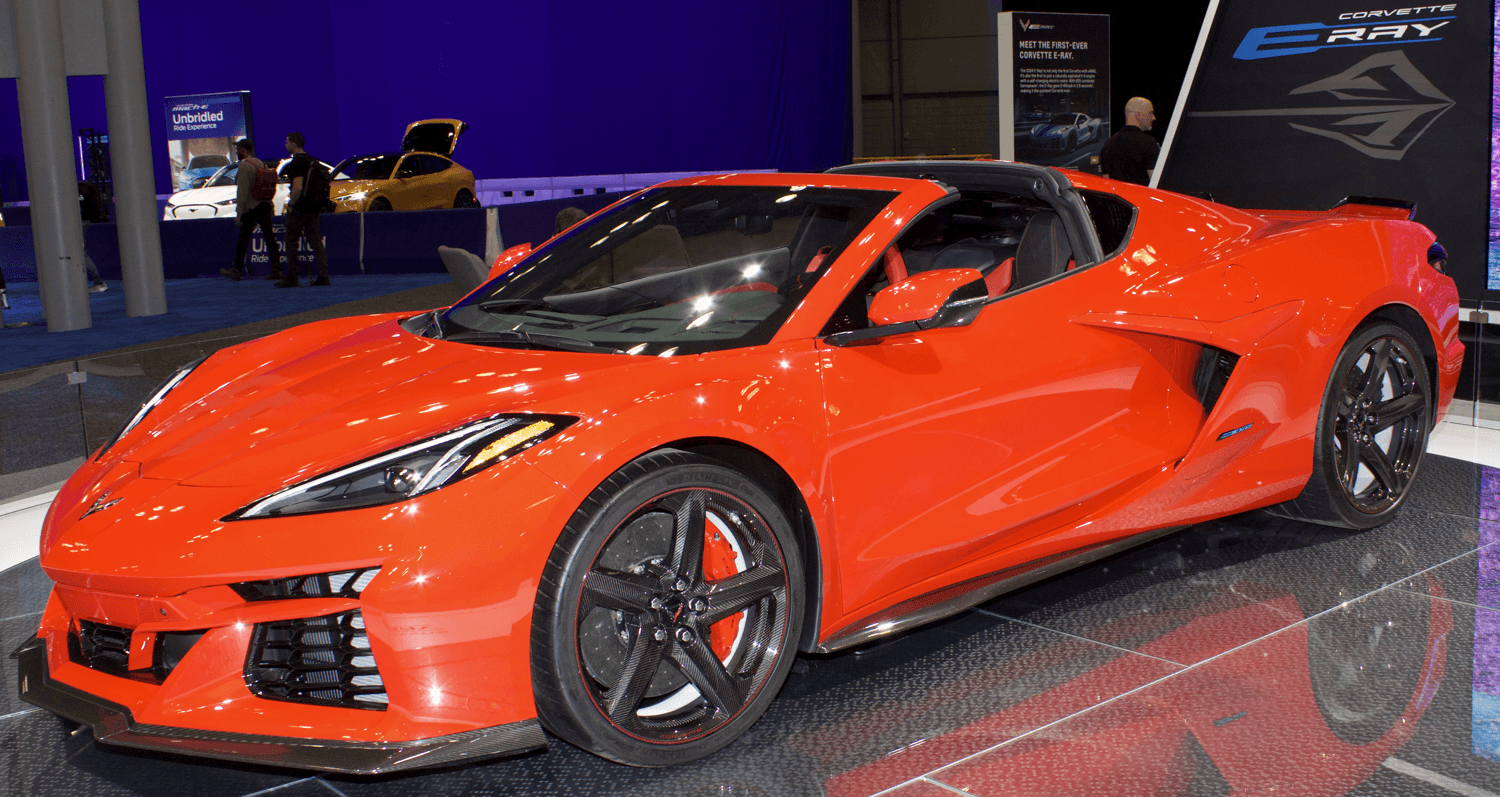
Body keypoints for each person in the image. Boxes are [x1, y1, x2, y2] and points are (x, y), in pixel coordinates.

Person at [220, 139, 283, 281]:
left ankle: (236, 269)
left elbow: (242, 191)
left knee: (243, 239)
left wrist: (239, 212)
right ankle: (277, 269)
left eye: (238, 149)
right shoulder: (260, 163)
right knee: (270, 238)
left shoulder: (244, 165)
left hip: (251, 207)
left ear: (243, 150)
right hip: (265, 205)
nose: (237, 152)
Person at [279, 132, 331, 287]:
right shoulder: (312, 160)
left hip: (300, 208)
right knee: (316, 241)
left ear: (293, 144)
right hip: (313, 207)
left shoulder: (297, 163)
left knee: (291, 241)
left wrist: (290, 205)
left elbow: (297, 188)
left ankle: (293, 277)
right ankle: (324, 276)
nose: (285, 145)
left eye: (287, 142)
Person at [1100, 97, 1160, 186]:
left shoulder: (1108, 144)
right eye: (1150, 113)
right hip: (1142, 194)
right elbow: (1156, 182)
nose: (1153, 118)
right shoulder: (1149, 143)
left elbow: (1106, 183)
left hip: (1118, 194)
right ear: (1139, 114)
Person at [77, 180, 108, 292]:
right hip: (85, 221)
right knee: (80, 253)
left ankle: (99, 282)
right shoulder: (85, 186)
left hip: (82, 222)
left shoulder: (81, 188)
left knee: (80, 253)